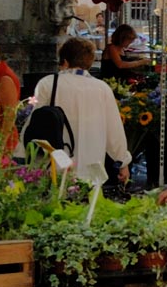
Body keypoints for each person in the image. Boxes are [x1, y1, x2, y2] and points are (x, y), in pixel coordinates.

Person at [29, 38, 131, 182]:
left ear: (65, 61)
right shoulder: (102, 89)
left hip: (55, 165)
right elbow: (114, 131)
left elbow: (33, 122)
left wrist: (21, 155)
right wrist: (123, 162)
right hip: (92, 168)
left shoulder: (47, 84)